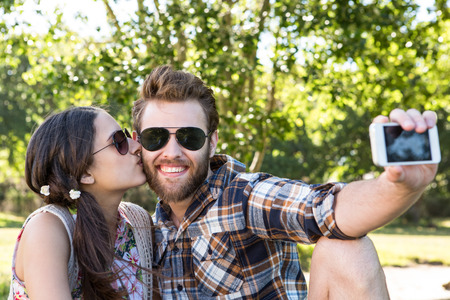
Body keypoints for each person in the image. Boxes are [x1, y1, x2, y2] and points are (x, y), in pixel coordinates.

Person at [132, 65, 438, 299]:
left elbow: (326, 209)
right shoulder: (145, 233)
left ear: (211, 143)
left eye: (189, 137)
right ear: (137, 143)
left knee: (346, 250)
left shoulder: (243, 196)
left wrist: (399, 186)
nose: (171, 152)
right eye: (155, 137)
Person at [9, 106, 156, 300]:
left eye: (127, 136)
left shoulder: (138, 222)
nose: (137, 146)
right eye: (119, 141)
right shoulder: (48, 229)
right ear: (84, 172)